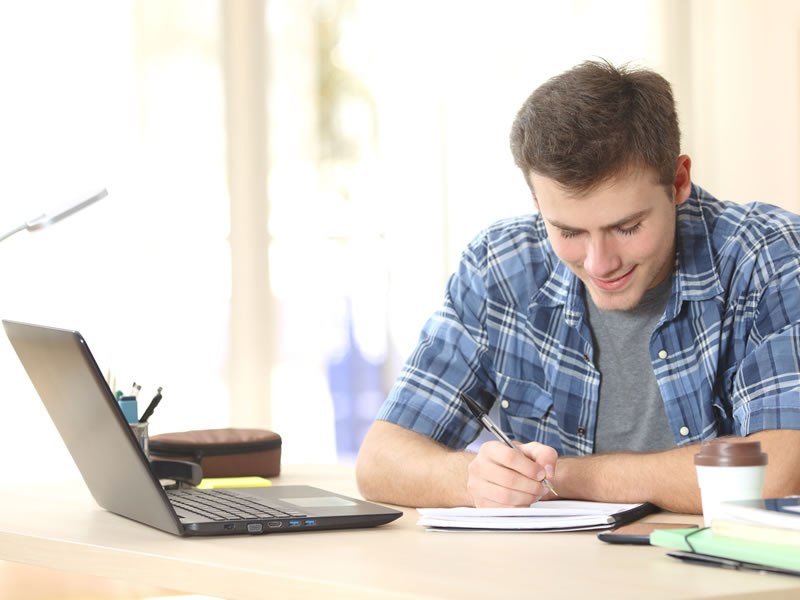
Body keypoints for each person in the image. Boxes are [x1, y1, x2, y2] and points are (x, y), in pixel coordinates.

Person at [355, 59, 800, 514]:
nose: (599, 263)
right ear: (537, 203)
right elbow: (380, 461)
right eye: (568, 231)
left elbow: (778, 473)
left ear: (678, 182)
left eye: (627, 227)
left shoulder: (769, 258)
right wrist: (477, 481)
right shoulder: (502, 267)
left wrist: (560, 477)